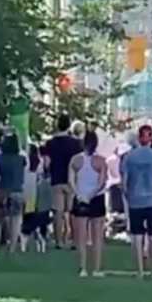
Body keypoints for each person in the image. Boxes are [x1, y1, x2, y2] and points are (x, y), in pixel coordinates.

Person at [121, 124, 152, 279]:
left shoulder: (129, 157)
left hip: (135, 200)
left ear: (139, 137)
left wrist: (128, 195)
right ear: (151, 137)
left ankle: (140, 271)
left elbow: (124, 182)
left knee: (137, 236)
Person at [68, 130, 108, 276]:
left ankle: (82, 268)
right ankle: (96, 269)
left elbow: (71, 180)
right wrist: (92, 194)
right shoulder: (101, 161)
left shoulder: (75, 160)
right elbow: (102, 182)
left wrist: (79, 194)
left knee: (81, 237)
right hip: (97, 198)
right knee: (97, 237)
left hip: (80, 198)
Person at [42, 114, 82, 251]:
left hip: (57, 180)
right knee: (72, 212)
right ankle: (75, 241)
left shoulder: (50, 143)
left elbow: (47, 163)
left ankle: (59, 241)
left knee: (58, 212)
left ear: (57, 125)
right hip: (72, 181)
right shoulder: (76, 144)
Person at [0, 134, 25, 253]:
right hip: (17, 191)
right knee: (15, 220)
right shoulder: (22, 159)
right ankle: (12, 248)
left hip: (2, 191)